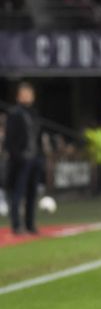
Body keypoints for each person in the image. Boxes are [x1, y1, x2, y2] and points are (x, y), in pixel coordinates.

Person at [4, 82, 43, 235]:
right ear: (18, 96)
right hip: (20, 161)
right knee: (17, 194)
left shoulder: (33, 114)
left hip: (34, 159)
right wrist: (19, 157)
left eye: (30, 93)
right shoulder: (14, 114)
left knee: (32, 194)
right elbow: (10, 140)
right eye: (25, 93)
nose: (28, 96)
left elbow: (36, 137)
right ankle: (16, 225)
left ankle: (30, 225)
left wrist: (40, 157)